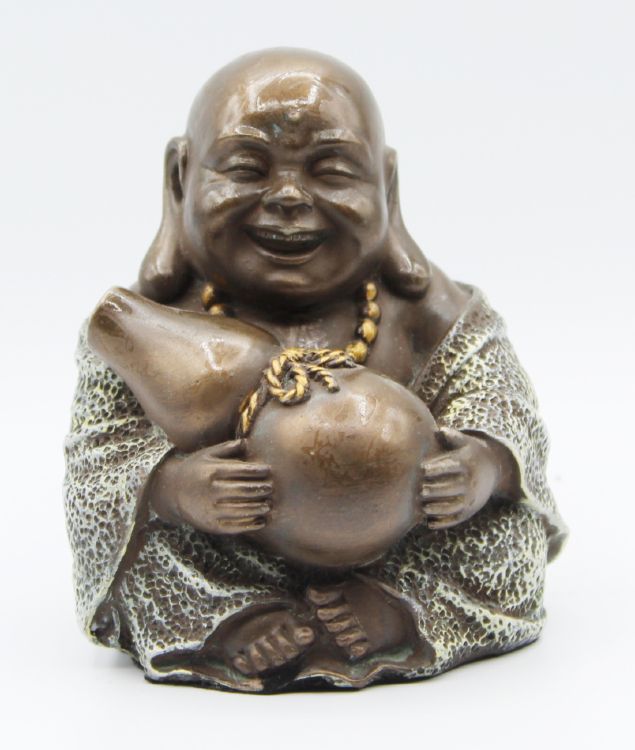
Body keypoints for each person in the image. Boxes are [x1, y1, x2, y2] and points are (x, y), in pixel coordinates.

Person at [64, 48, 566, 691]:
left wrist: (482, 465)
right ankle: (240, 624)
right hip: (231, 550)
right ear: (180, 179)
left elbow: (503, 404)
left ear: (386, 186)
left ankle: (391, 614)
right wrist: (176, 489)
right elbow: (98, 463)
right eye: (245, 168)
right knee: (154, 566)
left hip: (406, 542)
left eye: (332, 171)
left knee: (505, 544)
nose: (289, 198)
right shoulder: (149, 330)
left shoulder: (431, 312)